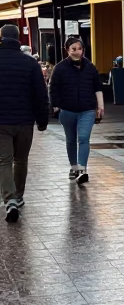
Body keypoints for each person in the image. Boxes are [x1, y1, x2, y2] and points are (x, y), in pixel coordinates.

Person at [0, 23, 50, 223]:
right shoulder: (30, 63)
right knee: (21, 160)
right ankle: (18, 197)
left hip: (1, 121)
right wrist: (42, 120)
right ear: (18, 39)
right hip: (24, 120)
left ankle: (9, 199)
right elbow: (40, 94)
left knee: (3, 160)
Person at [49, 36, 104, 186]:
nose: (77, 52)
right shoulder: (60, 68)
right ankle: (73, 166)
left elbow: (97, 87)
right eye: (73, 49)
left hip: (87, 109)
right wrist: (56, 106)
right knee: (71, 139)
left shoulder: (90, 67)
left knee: (84, 138)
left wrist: (100, 106)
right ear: (67, 50)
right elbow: (53, 89)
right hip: (67, 110)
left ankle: (82, 169)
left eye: (80, 49)